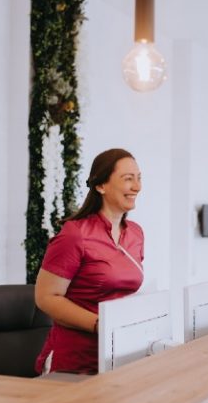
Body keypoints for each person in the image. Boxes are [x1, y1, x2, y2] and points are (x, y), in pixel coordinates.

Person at [34, 148, 144, 375]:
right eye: (128, 179)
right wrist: (100, 325)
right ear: (101, 186)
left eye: (139, 178)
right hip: (77, 360)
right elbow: (45, 298)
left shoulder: (135, 233)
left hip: (120, 356)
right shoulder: (75, 234)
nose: (137, 187)